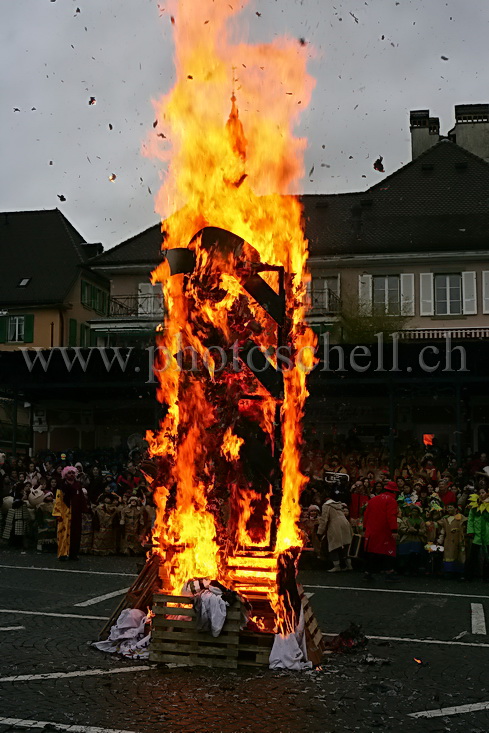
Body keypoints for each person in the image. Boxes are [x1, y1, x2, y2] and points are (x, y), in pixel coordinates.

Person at [362, 480, 400, 581]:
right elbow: (391, 516)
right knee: (388, 552)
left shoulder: (373, 499)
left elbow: (366, 515)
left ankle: (368, 573)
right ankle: (389, 573)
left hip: (372, 531)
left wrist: (364, 528)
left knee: (372, 552)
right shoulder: (391, 501)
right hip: (384, 531)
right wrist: (394, 530)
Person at [52, 466, 90, 561]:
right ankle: (63, 554)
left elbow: (82, 499)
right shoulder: (61, 486)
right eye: (69, 473)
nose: (71, 475)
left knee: (76, 534)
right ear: (65, 475)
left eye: (73, 473)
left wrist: (85, 510)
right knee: (63, 533)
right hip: (64, 514)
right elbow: (58, 501)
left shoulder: (78, 486)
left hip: (76, 514)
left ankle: (73, 554)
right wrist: (58, 514)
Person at [317, 491, 353, 572]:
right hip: (345, 524)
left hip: (334, 526)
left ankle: (337, 566)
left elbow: (324, 519)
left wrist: (320, 531)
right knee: (346, 546)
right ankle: (349, 565)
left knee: (334, 546)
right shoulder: (337, 505)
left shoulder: (326, 505)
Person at [465, 486, 489, 581]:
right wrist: (470, 531)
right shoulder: (475, 504)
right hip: (477, 534)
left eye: (483, 492)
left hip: (487, 534)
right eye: (480, 493)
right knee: (473, 555)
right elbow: (470, 519)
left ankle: (486, 576)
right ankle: (469, 575)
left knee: (487, 556)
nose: (481, 494)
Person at [438, 504, 466, 578]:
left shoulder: (461, 517)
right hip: (448, 540)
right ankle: (448, 571)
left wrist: (459, 530)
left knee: (460, 555)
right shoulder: (445, 519)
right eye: (448, 508)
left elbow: (465, 526)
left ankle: (460, 572)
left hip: (459, 539)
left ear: (455, 508)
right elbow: (441, 529)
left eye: (450, 507)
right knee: (448, 555)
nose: (449, 509)